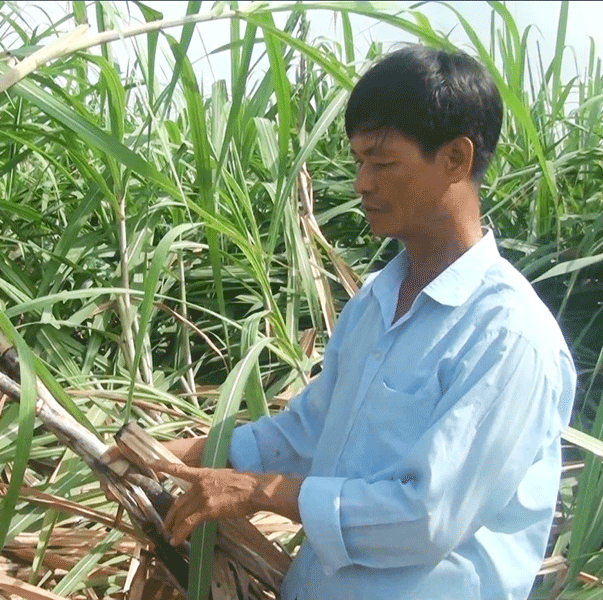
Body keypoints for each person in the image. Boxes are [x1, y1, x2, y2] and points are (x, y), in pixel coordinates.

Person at [123, 46, 577, 600]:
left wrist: (261, 492)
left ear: (457, 159)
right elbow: (310, 431)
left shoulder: (508, 337)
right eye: (359, 160)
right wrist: (169, 455)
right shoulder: (376, 302)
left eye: (382, 163)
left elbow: (425, 517)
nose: (362, 182)